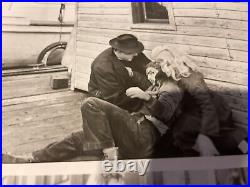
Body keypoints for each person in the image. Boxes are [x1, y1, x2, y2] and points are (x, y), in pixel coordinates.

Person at [2, 61, 183, 163]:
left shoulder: (171, 88)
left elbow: (165, 113)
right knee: (79, 137)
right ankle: (31, 159)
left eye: (152, 72)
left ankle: (110, 156)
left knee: (91, 104)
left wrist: (146, 97)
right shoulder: (156, 85)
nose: (149, 76)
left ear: (163, 72)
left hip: (145, 137)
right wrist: (134, 77)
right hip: (134, 131)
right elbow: (145, 84)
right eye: (148, 73)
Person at [150, 45, 248, 156]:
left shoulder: (191, 78)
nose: (159, 66)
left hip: (211, 109)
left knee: (186, 134)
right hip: (195, 110)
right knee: (179, 133)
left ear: (168, 60)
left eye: (159, 62)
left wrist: (205, 135)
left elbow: (207, 105)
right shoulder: (176, 73)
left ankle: (241, 145)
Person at [88, 34, 151, 112]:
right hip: (107, 100)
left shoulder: (132, 52)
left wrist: (151, 68)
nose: (136, 54)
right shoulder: (103, 66)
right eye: (132, 52)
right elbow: (115, 99)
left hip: (129, 91)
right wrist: (146, 99)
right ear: (119, 51)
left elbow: (148, 64)